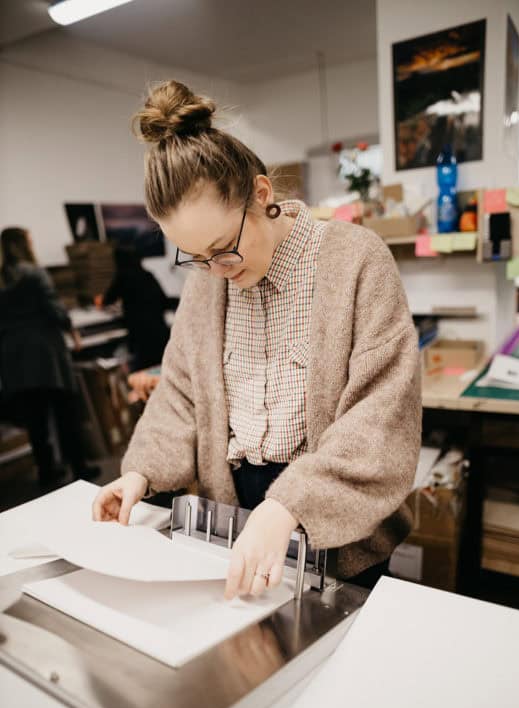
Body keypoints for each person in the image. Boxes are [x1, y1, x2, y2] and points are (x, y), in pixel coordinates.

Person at [93, 80, 422, 599]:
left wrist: (290, 505)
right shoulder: (208, 281)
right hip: (234, 515)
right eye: (194, 257)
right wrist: (140, 474)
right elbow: (181, 393)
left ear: (262, 196)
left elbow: (381, 414)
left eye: (223, 249)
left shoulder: (357, 261)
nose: (214, 271)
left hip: (336, 518)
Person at [0, 227, 99, 488]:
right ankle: (79, 468)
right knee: (66, 412)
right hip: (46, 355)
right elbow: (54, 307)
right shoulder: (34, 273)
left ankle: (47, 473)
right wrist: (72, 330)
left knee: (36, 422)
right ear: (23, 245)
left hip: (13, 360)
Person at [96, 245, 178, 371]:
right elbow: (164, 301)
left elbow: (107, 300)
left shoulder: (123, 277)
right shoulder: (147, 275)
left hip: (141, 337)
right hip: (159, 332)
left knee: (145, 375)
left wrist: (99, 300)